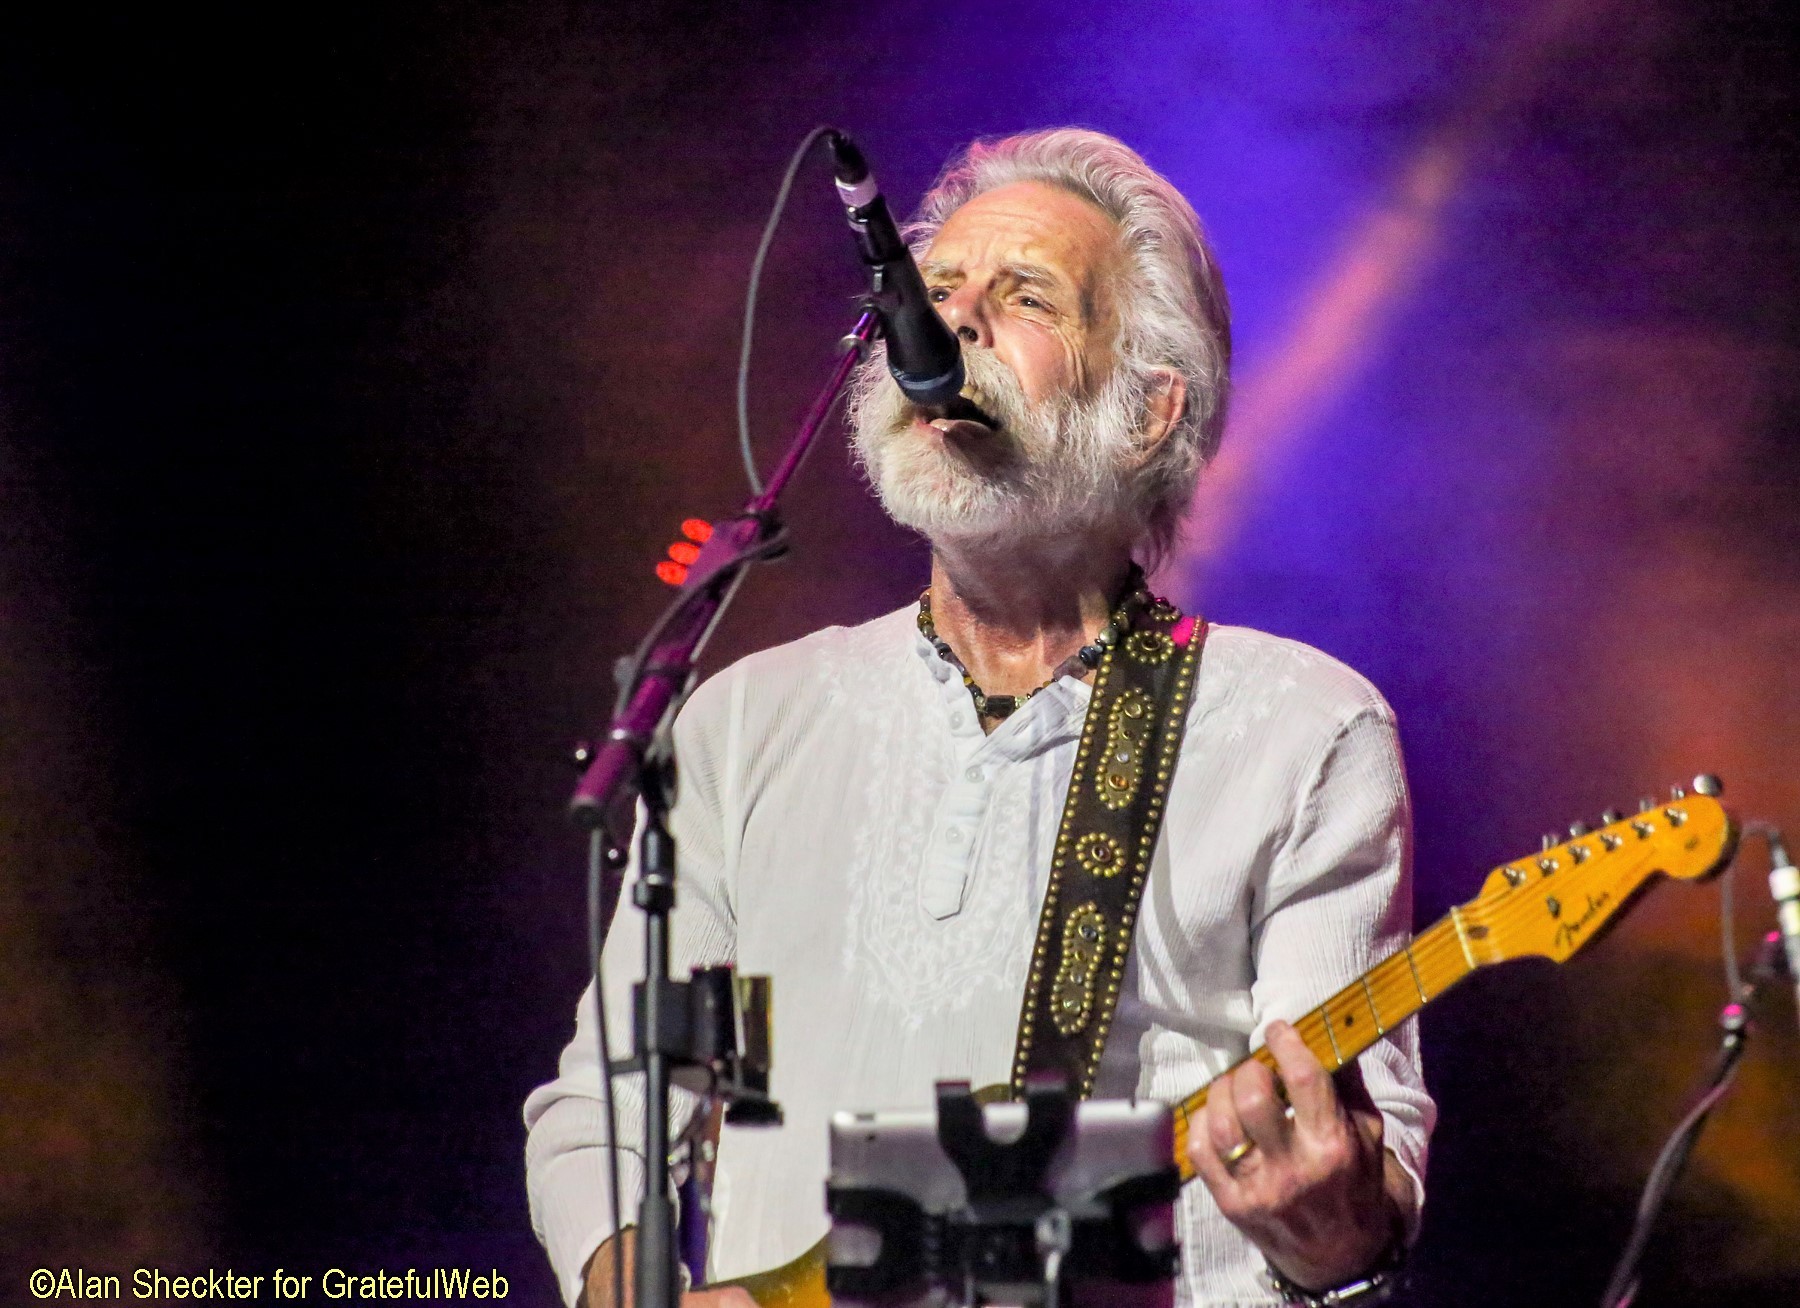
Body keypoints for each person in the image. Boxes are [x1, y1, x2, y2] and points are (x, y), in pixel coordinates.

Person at [525, 128, 1434, 1308]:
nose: (947, 324)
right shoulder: (743, 721)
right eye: (934, 291)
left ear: (1149, 411)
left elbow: (1364, 1173)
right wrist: (621, 1287)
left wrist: (1329, 1228)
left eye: (1024, 298)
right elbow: (610, 1108)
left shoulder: (1298, 732)